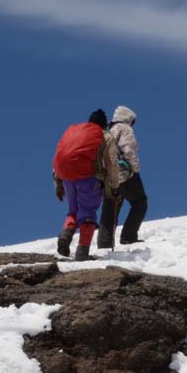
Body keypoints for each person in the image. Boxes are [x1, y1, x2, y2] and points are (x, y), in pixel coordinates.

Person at [53, 109, 110, 261]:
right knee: (88, 213)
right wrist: (114, 185)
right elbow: (110, 162)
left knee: (73, 211)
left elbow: (60, 154)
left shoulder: (73, 130)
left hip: (66, 176)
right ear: (103, 124)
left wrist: (58, 182)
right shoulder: (102, 134)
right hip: (87, 177)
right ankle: (82, 252)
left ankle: (66, 234)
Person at [98, 105, 148, 248]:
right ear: (128, 118)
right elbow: (128, 150)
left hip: (107, 176)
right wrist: (135, 169)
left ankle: (104, 244)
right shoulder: (125, 129)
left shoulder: (107, 131)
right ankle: (128, 236)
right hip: (123, 173)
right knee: (140, 202)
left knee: (110, 209)